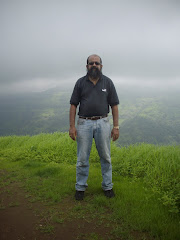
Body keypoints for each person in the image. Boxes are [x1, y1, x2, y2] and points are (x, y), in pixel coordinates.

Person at [69, 54, 119, 200]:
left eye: (97, 63)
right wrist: (72, 126)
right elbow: (73, 105)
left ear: (101, 66)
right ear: (87, 66)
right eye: (91, 63)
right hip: (83, 123)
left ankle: (108, 186)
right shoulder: (80, 83)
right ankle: (80, 187)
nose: (94, 65)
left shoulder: (108, 82)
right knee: (82, 158)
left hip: (103, 122)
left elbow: (114, 105)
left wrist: (116, 126)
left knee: (106, 157)